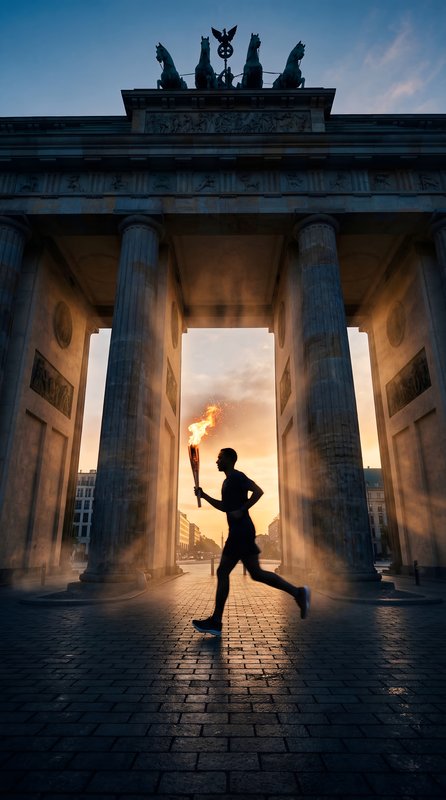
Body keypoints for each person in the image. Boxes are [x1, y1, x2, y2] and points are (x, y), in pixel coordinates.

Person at [192, 447, 310, 636]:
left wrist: (243, 508)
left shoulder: (238, 477)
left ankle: (216, 621)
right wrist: (204, 496)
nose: (216, 461)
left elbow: (258, 491)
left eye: (219, 458)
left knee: (223, 571)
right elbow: (224, 507)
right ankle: (298, 593)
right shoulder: (227, 482)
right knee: (256, 573)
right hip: (239, 531)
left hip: (241, 530)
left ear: (229, 460)